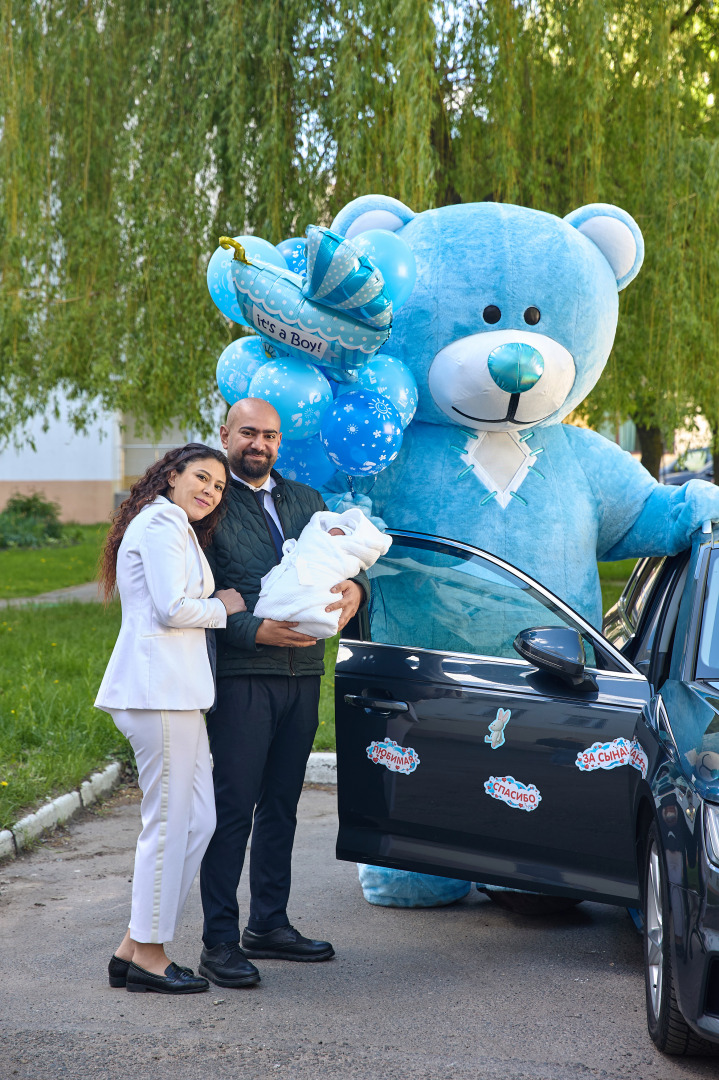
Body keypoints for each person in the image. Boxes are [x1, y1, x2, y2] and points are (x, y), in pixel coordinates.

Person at [198, 398, 369, 988]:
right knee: (232, 810)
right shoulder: (210, 505)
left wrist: (356, 589)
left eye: (269, 436)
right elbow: (198, 595)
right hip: (244, 676)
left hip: (304, 675)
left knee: (281, 806)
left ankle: (269, 923)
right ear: (225, 434)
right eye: (248, 433)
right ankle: (218, 940)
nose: (259, 445)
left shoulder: (306, 501)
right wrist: (253, 629)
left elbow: (342, 558)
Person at [95, 444, 246, 995]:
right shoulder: (160, 521)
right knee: (168, 822)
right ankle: (151, 958)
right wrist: (225, 607)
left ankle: (132, 947)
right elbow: (172, 608)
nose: (210, 490)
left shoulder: (174, 525)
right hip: (158, 691)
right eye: (201, 477)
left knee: (198, 821)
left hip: (180, 695)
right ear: (170, 477)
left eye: (219, 486)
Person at [253, 507, 391, 638]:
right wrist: (251, 630)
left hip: (307, 658)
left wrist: (359, 587)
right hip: (246, 655)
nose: (332, 534)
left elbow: (356, 565)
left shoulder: (309, 497)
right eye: (332, 532)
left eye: (339, 534)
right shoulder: (230, 501)